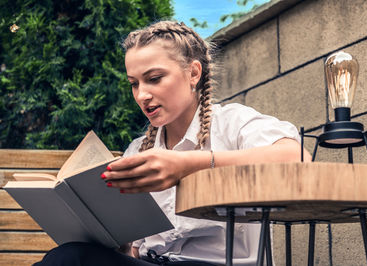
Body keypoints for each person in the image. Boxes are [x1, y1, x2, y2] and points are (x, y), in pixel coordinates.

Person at [34, 21, 311, 266]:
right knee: (69, 255)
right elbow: (133, 251)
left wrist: (187, 165)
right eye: (134, 83)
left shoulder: (232, 123)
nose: (142, 95)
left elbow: (296, 158)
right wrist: (116, 243)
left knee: (72, 259)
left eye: (154, 79)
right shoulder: (139, 149)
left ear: (193, 73)